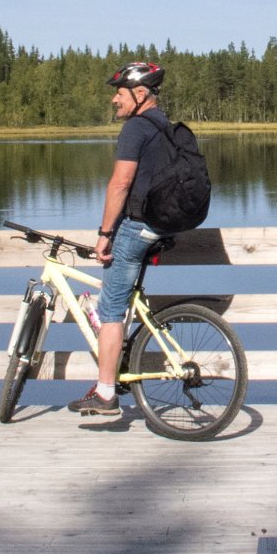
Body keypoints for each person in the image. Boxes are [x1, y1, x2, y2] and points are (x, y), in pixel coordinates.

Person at [70, 60, 171, 417]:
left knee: (110, 311)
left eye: (120, 93)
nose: (115, 100)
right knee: (117, 302)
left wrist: (104, 235)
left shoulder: (135, 129)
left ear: (140, 94)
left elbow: (120, 184)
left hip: (136, 228)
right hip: (162, 225)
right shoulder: (165, 127)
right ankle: (122, 362)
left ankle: (106, 394)